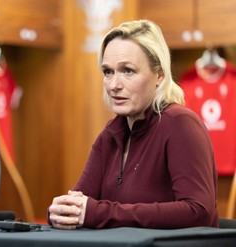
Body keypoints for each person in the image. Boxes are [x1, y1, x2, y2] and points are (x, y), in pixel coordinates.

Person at [48, 20, 218, 229]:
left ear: (159, 75)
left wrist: (98, 213)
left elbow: (198, 212)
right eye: (108, 72)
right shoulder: (110, 135)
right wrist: (62, 212)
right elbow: (81, 206)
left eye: (128, 71)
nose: (114, 85)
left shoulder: (180, 124)